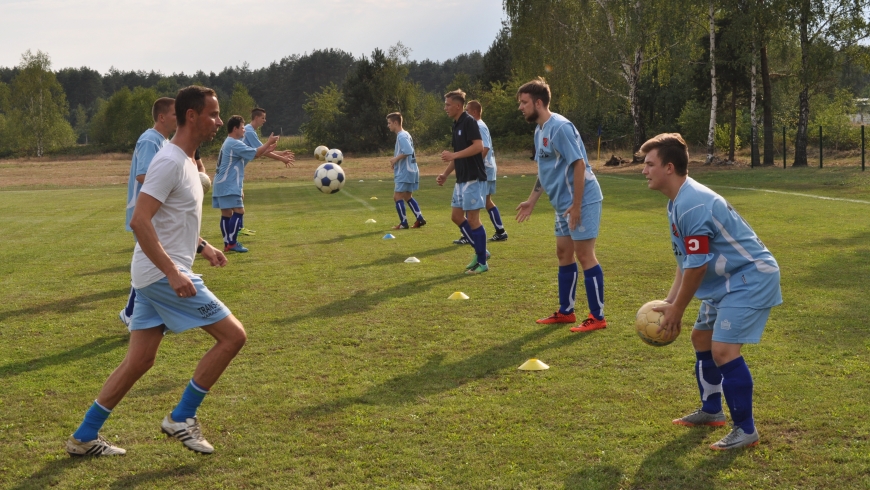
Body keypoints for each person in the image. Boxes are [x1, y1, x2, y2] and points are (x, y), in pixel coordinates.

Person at [66, 86, 247, 457]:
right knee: (233, 337)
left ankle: (83, 437)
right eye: (213, 114)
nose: (217, 121)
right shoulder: (168, 161)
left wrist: (203, 246)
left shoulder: (184, 160)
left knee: (139, 361)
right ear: (191, 116)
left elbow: (171, 218)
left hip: (152, 274)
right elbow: (140, 221)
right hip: (162, 273)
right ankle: (182, 417)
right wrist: (173, 272)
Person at [639, 133, 781, 450]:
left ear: (669, 167)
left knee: (723, 351)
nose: (644, 170)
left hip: (750, 277)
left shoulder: (692, 204)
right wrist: (671, 302)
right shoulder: (677, 202)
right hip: (727, 280)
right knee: (701, 338)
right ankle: (711, 411)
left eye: (649, 164)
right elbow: (686, 262)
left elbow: (698, 268)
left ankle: (745, 430)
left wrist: (677, 309)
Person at [515, 78, 606, 333]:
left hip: (582, 200)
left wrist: (576, 205)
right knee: (563, 254)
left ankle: (597, 316)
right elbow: (545, 170)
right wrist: (532, 200)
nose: (521, 107)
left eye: (524, 103)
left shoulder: (561, 127)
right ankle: (566, 312)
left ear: (539, 102)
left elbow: (578, 164)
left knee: (584, 255)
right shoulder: (539, 130)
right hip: (562, 205)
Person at [119, 97, 177, 328]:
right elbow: (143, 175)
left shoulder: (164, 141)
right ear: (162, 117)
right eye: (175, 114)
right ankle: (131, 312)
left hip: (154, 212)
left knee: (155, 263)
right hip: (144, 213)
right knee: (150, 262)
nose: (178, 118)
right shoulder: (150, 139)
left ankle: (141, 312)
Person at [436, 89, 490, 275]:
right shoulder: (456, 125)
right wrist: (445, 174)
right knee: (456, 216)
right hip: (461, 179)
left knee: (474, 219)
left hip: (474, 178)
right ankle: (481, 251)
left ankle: (482, 262)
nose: (445, 108)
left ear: (458, 106)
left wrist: (454, 155)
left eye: (448, 104)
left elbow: (479, 146)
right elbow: (457, 156)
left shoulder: (469, 122)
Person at [212, 115, 279, 253]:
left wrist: (266, 150)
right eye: (242, 127)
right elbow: (255, 153)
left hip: (220, 183)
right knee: (239, 211)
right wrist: (268, 142)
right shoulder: (234, 143)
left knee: (226, 213)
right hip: (229, 184)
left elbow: (254, 154)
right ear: (235, 128)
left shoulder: (229, 142)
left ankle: (227, 244)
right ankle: (232, 243)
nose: (244, 130)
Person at [453, 100, 507, 245]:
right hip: (486, 168)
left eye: (468, 110)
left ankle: (470, 235)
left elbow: (485, 148)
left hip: (484, 169)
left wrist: (474, 164)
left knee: (470, 200)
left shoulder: (478, 125)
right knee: (486, 201)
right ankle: (500, 230)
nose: (466, 113)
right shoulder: (474, 125)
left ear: (475, 112)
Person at [239, 107, 295, 235]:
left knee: (239, 197)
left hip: (239, 169)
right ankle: (237, 229)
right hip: (236, 169)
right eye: (263, 118)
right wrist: (282, 159)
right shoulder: (249, 131)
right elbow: (263, 151)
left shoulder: (249, 130)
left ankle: (238, 228)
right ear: (256, 118)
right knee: (237, 199)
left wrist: (281, 153)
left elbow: (263, 150)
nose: (265, 120)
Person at [387, 112, 426, 229]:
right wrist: (396, 162)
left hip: (405, 171)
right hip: (412, 169)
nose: (388, 125)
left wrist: (395, 159)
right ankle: (420, 218)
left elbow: (408, 151)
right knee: (407, 196)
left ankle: (403, 223)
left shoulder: (401, 136)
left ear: (395, 123)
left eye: (389, 123)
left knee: (397, 196)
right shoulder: (406, 134)